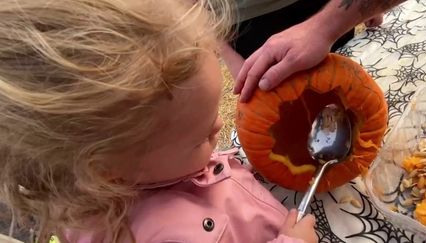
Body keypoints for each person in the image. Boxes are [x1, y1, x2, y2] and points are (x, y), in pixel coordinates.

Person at [0, 0, 318, 242]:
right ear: (106, 170)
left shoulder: (140, 164)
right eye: (202, 138)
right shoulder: (161, 234)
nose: (221, 127)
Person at [221, 0, 403, 102]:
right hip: (246, 22)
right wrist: (229, 55)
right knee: (288, 100)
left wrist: (361, 7)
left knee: (347, 84)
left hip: (323, 4)